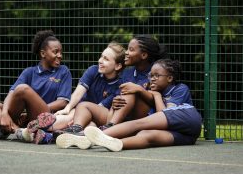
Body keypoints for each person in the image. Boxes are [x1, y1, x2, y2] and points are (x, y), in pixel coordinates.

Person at [56, 59, 202, 151]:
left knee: (139, 124)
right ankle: (112, 142)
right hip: (186, 137)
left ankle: (98, 134)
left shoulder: (179, 89)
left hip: (187, 119)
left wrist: (155, 95)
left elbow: (165, 116)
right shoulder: (150, 89)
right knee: (147, 135)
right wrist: (115, 104)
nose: (153, 79)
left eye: (157, 76)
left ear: (170, 78)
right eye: (151, 76)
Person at [55, 35, 167, 140]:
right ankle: (76, 130)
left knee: (131, 90)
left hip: (142, 119)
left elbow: (157, 99)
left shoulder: (156, 72)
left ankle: (109, 128)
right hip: (119, 115)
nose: (127, 53)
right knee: (83, 106)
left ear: (143, 55)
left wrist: (139, 90)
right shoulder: (126, 73)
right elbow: (118, 96)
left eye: (131, 50)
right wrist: (116, 100)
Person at [20, 42, 126, 144]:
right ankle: (46, 133)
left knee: (85, 121)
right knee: (79, 119)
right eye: (101, 56)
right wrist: (67, 108)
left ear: (117, 66)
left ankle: (39, 127)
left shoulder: (120, 85)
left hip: (99, 116)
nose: (100, 61)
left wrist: (77, 119)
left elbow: (97, 109)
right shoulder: (93, 70)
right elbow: (78, 92)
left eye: (106, 59)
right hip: (81, 111)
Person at [0, 30, 72, 140]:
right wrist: (4, 114)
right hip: (25, 119)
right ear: (43, 53)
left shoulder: (63, 71)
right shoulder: (29, 72)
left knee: (23, 89)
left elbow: (63, 101)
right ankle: (18, 131)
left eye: (61, 52)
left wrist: (32, 108)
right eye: (56, 52)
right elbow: (12, 93)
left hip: (47, 117)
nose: (60, 55)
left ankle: (3, 130)